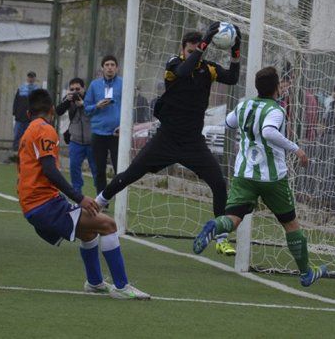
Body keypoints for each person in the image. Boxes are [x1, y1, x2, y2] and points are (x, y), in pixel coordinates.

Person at [95, 23, 241, 256]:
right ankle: (99, 202)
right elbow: (183, 72)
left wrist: (236, 49)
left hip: (193, 142)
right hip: (166, 138)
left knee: (219, 183)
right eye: (190, 50)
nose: (194, 53)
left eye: (197, 50)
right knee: (131, 173)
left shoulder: (208, 69)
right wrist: (203, 44)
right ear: (183, 50)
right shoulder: (174, 64)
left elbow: (233, 78)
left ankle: (221, 236)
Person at [192, 66, 327, 287]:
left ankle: (214, 228)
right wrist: (296, 149)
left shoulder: (244, 105)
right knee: (291, 224)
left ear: (256, 86)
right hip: (272, 179)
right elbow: (268, 131)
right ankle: (306, 273)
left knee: (234, 219)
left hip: (245, 174)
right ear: (276, 87)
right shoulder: (277, 110)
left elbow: (228, 122)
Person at [18, 88, 149, 300]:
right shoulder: (45, 129)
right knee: (108, 225)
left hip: (35, 205)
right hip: (44, 205)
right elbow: (49, 170)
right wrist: (80, 198)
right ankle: (122, 287)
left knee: (89, 233)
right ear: (52, 110)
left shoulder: (28, 130)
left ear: (27, 114)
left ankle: (95, 282)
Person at [84, 55, 123, 194]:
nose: (110, 67)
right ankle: (102, 201)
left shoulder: (123, 84)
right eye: (107, 65)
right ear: (102, 68)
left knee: (120, 169)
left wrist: (124, 125)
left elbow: (130, 107)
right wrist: (97, 105)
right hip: (99, 133)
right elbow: (86, 108)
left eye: (113, 65)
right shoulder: (94, 85)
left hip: (117, 133)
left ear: (117, 68)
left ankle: (120, 199)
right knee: (99, 170)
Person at [56, 77, 97, 195]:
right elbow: (58, 111)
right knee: (74, 168)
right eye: (72, 89)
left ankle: (101, 195)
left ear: (84, 89)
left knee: (96, 170)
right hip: (76, 140)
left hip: (92, 141)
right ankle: (77, 193)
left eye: (78, 89)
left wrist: (83, 104)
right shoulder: (69, 99)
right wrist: (67, 101)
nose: (75, 92)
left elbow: (96, 112)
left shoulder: (91, 99)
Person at [12, 71, 40, 150]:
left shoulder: (37, 90)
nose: (31, 79)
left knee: (30, 135)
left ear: (35, 78)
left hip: (31, 117)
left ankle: (28, 150)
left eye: (32, 77)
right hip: (20, 116)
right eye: (29, 77)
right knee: (17, 134)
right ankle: (16, 149)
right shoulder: (21, 88)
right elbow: (16, 101)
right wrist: (15, 113)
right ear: (27, 78)